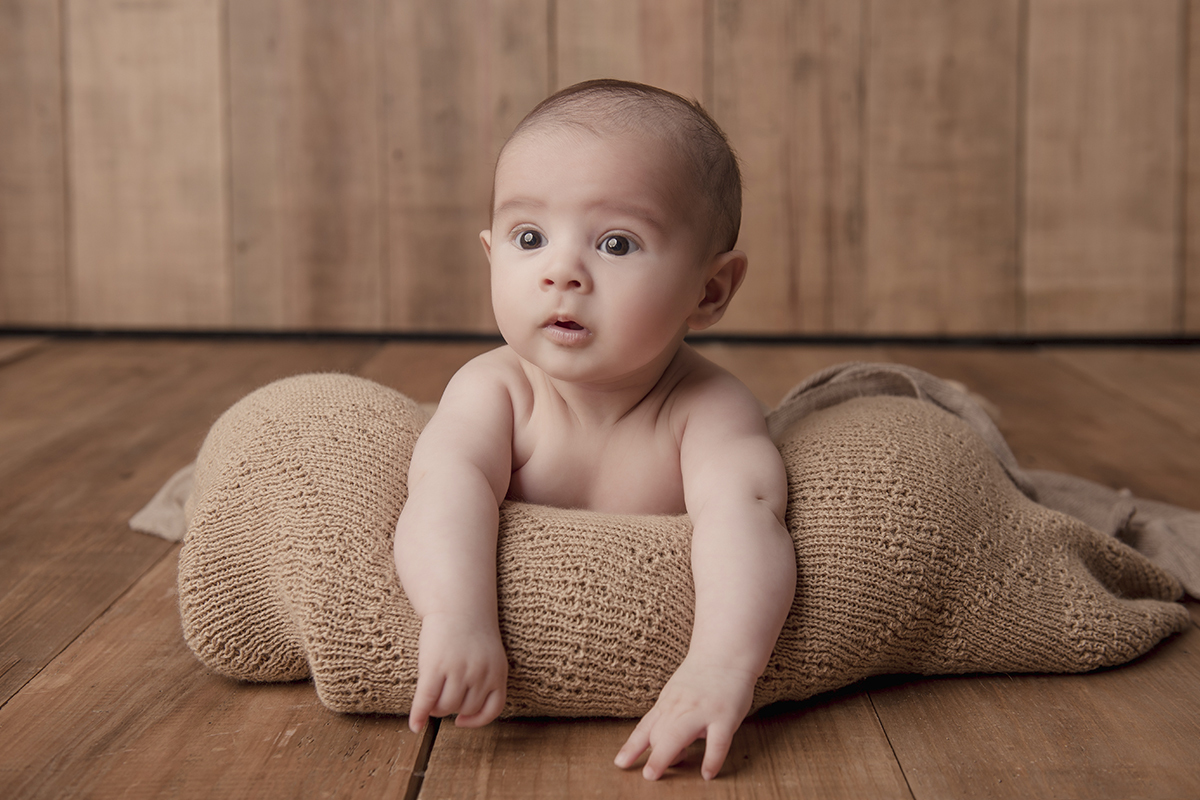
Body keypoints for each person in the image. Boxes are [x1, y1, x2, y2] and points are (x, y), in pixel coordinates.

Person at [393, 79, 796, 781]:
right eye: (529, 238)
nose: (561, 273)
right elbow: (444, 489)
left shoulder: (708, 409)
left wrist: (720, 665)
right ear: (491, 255)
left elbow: (746, 517)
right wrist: (457, 618)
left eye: (616, 243)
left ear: (710, 291)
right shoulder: (496, 389)